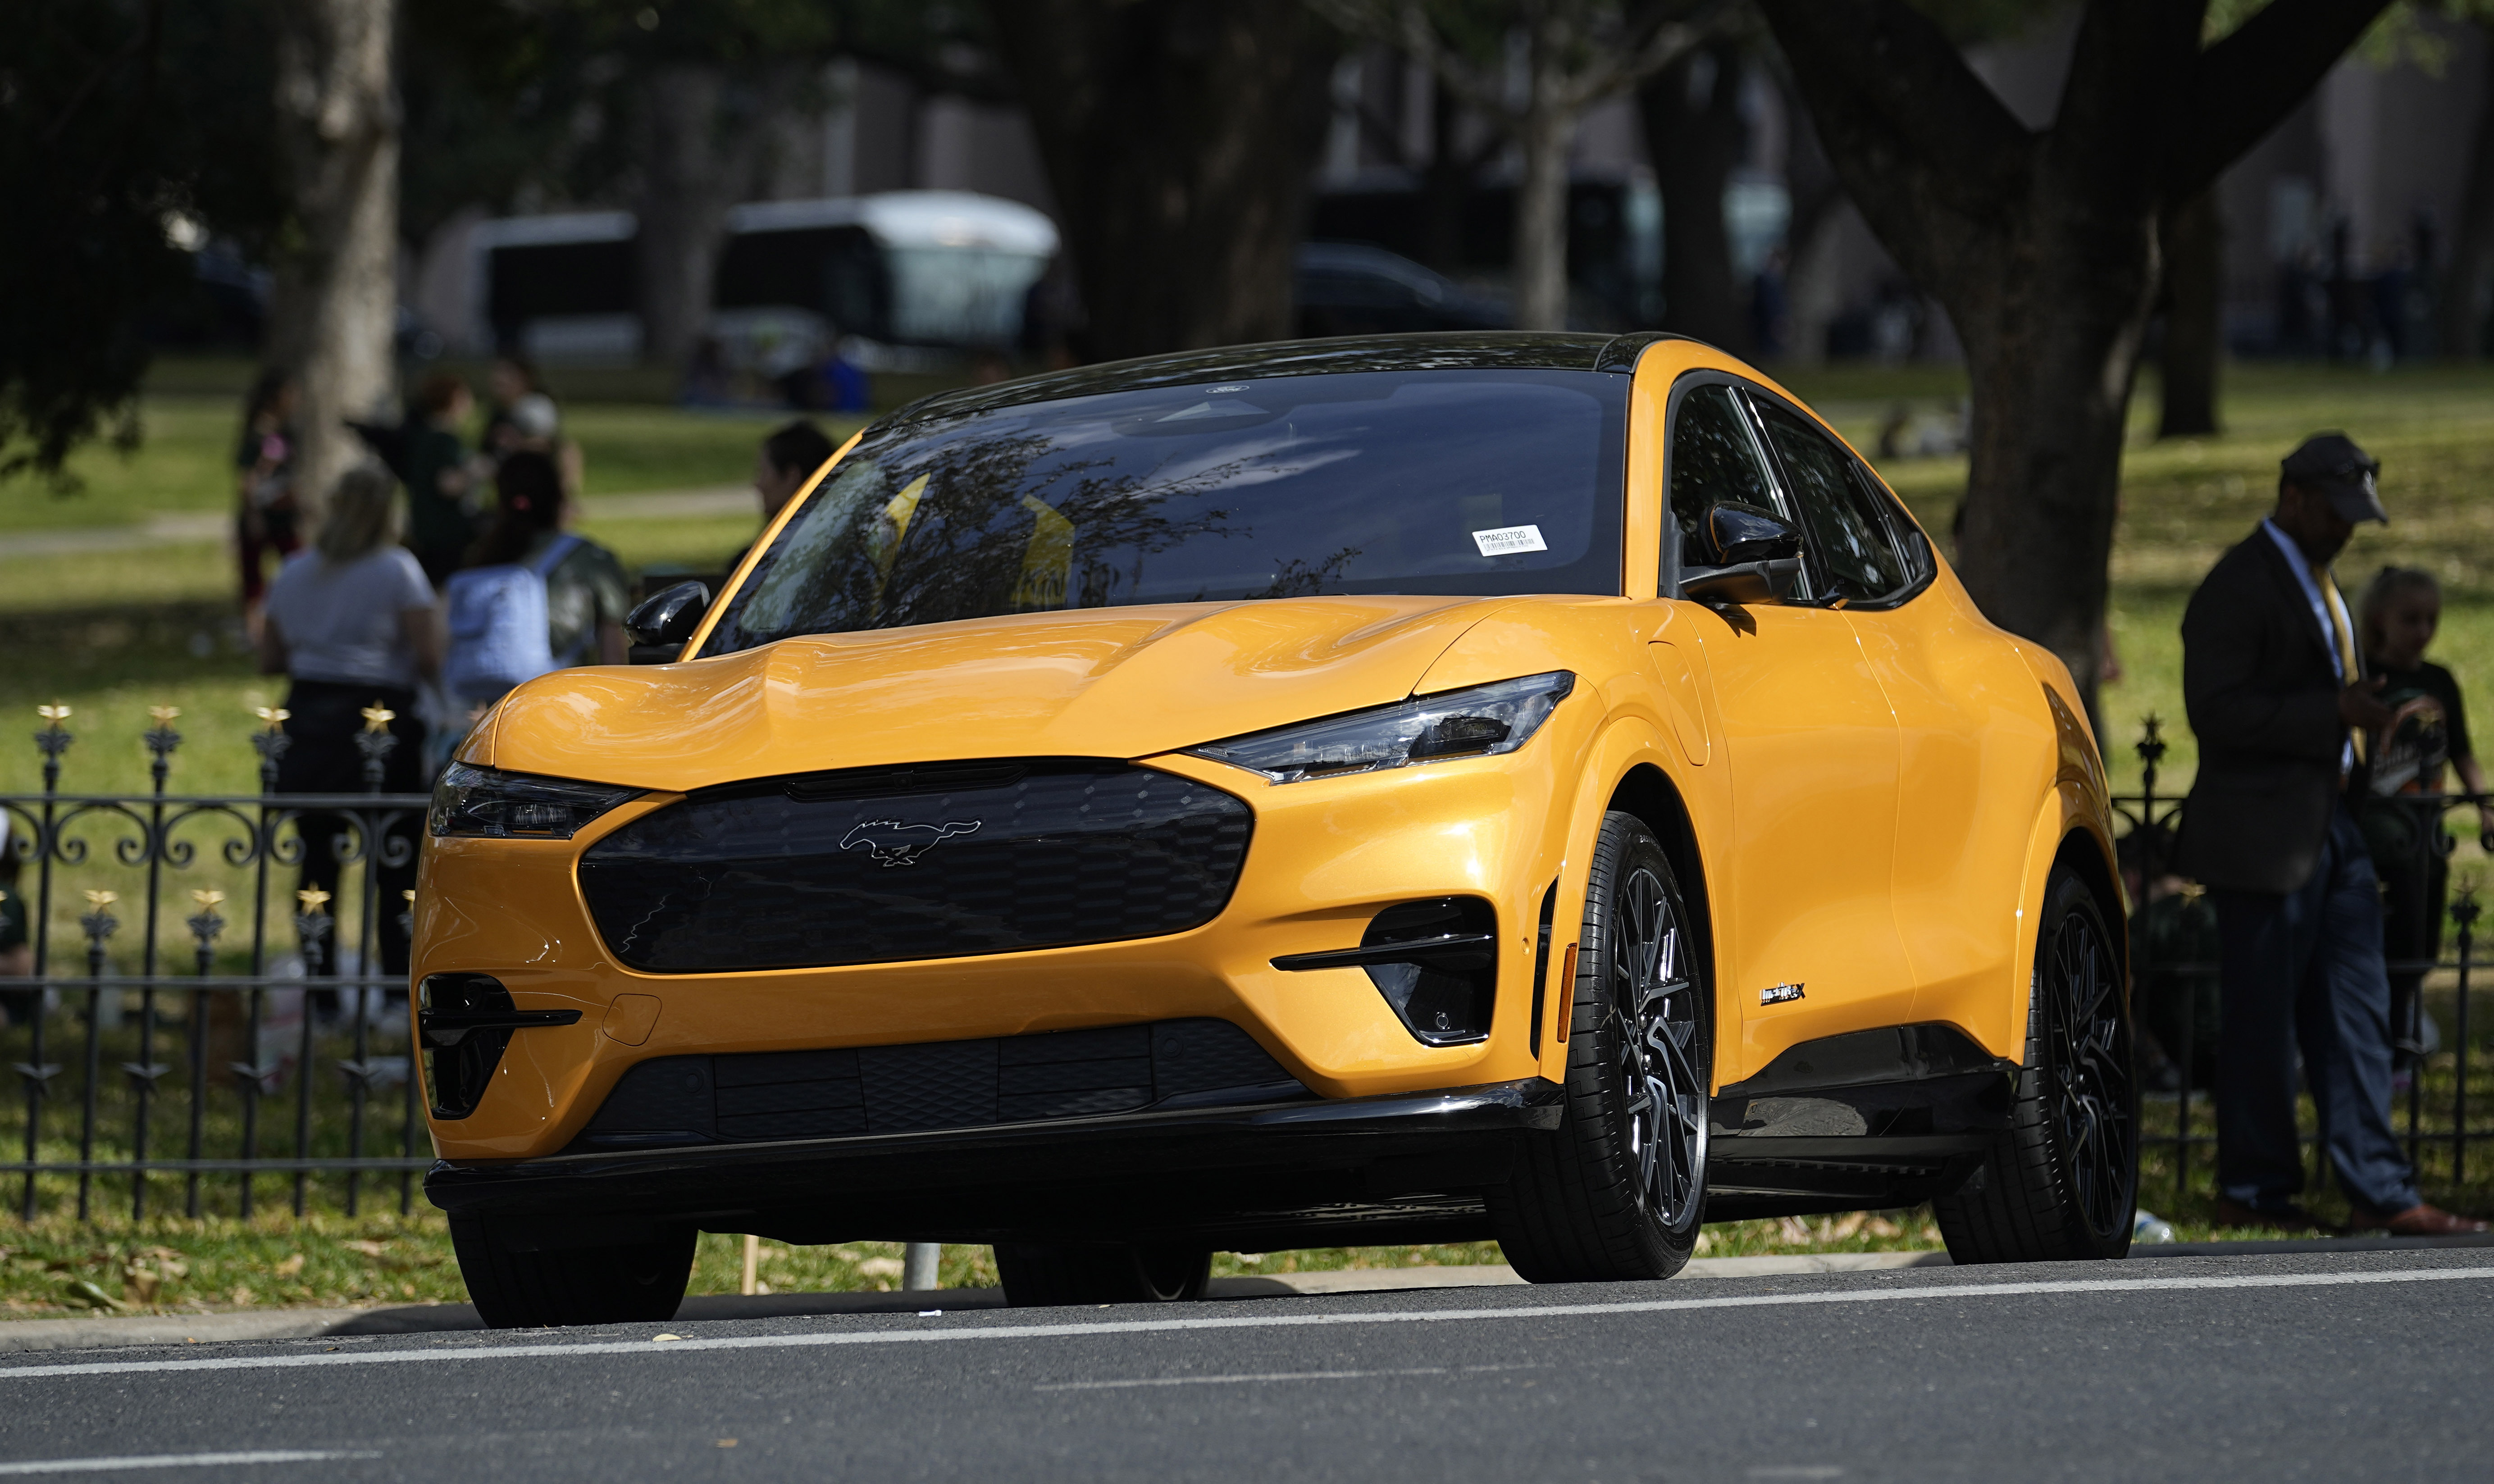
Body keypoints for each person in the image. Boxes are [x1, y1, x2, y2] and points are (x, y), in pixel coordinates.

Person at [2175, 432, 2483, 1234]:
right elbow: (2213, 709)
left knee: (2358, 1004)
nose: (2349, 531)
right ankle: (2257, 1185)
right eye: (2339, 514)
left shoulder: (2322, 579)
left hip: (2334, 822)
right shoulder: (2238, 586)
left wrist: (2363, 718)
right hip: (2267, 834)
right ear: (2296, 499)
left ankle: (2380, 1188)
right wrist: (2332, 714)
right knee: (2263, 1019)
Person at [258, 463, 439, 979]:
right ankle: (390, 983)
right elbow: (428, 651)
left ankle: (322, 984)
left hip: (311, 712)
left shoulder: (295, 570)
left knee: (317, 858)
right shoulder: (398, 570)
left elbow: (270, 656)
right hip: (378, 716)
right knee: (394, 857)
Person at [2357, 565, 2494, 1075]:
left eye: (2431, 619)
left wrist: (2484, 805)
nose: (2422, 630)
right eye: (2410, 619)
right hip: (2375, 841)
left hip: (2426, 843)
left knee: (2421, 948)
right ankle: (2383, 1047)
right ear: (2379, 619)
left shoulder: (2438, 682)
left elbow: (2462, 754)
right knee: (2381, 947)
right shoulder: (2365, 679)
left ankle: (2403, 1042)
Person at [465, 450, 630, 669]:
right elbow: (613, 660)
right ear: (558, 499)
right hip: (559, 691)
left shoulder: (481, 556)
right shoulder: (590, 558)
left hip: (495, 698)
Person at [235, 369, 302, 641]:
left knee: (297, 568)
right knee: (253, 577)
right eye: (289, 394)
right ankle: (255, 633)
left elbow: (289, 476)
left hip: (284, 513)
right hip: (263, 514)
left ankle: (289, 625)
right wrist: (253, 514)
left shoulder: (286, 431)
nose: (295, 399)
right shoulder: (258, 433)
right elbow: (247, 479)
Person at [402, 373, 485, 585]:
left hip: (423, 528)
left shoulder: (422, 436)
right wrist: (477, 472)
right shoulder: (443, 440)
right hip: (445, 534)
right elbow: (448, 485)